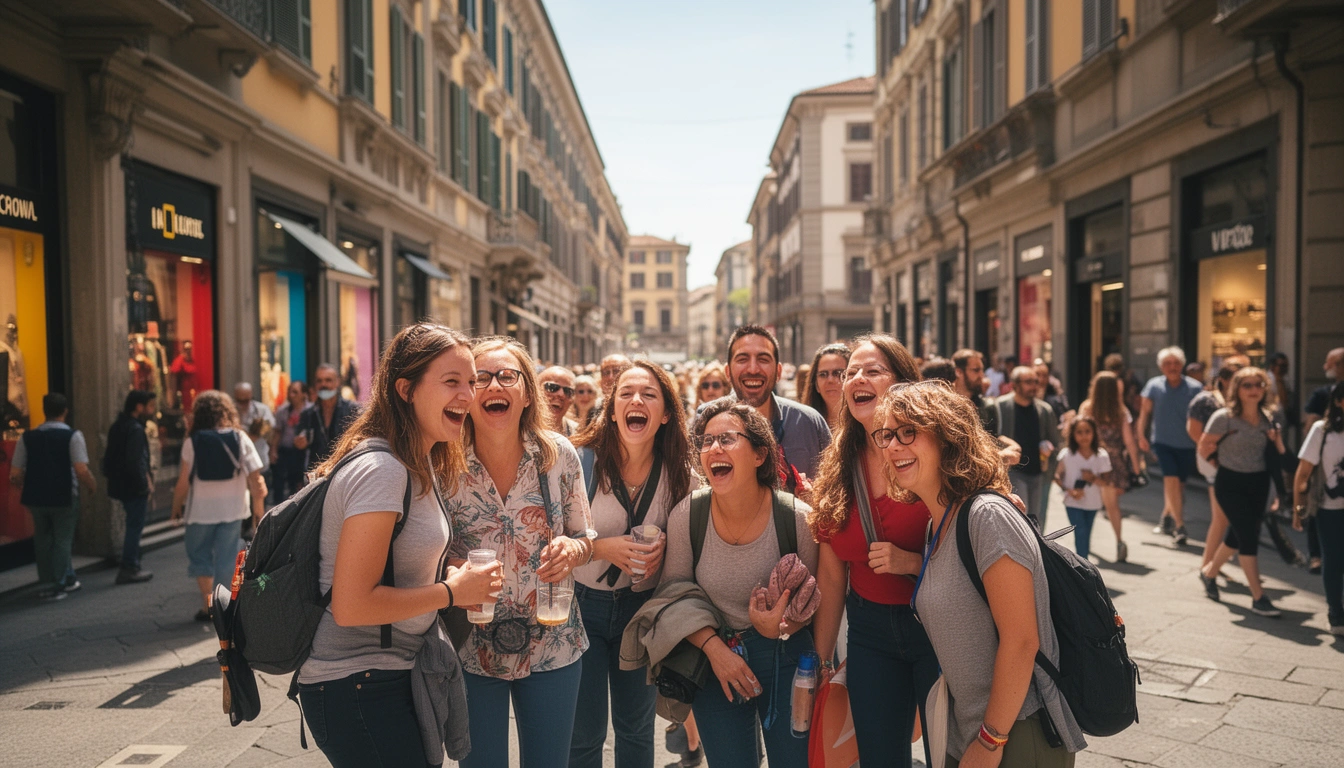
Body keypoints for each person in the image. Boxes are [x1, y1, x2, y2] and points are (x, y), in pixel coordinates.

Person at [297, 323, 502, 768]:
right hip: (356, 683)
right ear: (406, 388)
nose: (468, 395)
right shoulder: (383, 470)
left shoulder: (414, 462)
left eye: (472, 381)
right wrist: (453, 592)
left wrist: (446, 572)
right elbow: (351, 605)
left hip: (387, 677)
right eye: (452, 382)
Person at [876, 380, 1086, 767]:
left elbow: (1022, 640)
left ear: (947, 437)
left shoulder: (987, 516)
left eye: (909, 432)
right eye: (887, 435)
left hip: (1018, 733)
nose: (892, 446)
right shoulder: (936, 521)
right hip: (967, 732)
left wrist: (990, 741)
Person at [447, 337, 595, 768]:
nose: (494, 385)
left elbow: (585, 536)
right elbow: (426, 550)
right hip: (470, 645)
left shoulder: (558, 455)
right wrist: (453, 569)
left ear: (526, 392)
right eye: (481, 378)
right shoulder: (444, 460)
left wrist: (572, 548)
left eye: (507, 376)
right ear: (468, 394)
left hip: (553, 641)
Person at [663, 399, 819, 768]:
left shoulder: (798, 519)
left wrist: (781, 627)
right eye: (706, 441)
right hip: (712, 658)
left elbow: (817, 602)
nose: (714, 448)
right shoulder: (688, 515)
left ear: (760, 455)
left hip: (787, 659)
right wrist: (716, 651)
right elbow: (672, 595)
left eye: (728, 439)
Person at [809, 335, 936, 767]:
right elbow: (831, 575)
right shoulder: (838, 463)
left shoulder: (936, 446)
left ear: (903, 383)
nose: (856, 379)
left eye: (872, 370)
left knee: (948, 754)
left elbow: (975, 543)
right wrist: (820, 661)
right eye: (850, 373)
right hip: (869, 633)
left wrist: (913, 564)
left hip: (940, 627)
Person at [570, 361, 694, 768]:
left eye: (649, 394)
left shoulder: (682, 477)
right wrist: (602, 549)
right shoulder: (578, 462)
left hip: (641, 613)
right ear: (611, 408)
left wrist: (665, 556)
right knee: (584, 735)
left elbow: (692, 550)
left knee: (636, 732)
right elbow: (545, 541)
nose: (635, 401)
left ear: (666, 414)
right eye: (625, 393)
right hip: (581, 607)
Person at [1197, 367, 1287, 617]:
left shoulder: (1269, 417)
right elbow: (1204, 447)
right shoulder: (1223, 417)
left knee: (1239, 535)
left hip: (1259, 484)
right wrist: (1223, 465)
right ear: (1236, 388)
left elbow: (1277, 455)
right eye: (1247, 385)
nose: (1253, 389)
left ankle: (1209, 573)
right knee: (1248, 536)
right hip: (1230, 484)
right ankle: (1259, 597)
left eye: (1258, 384)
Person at [169, 390, 266, 621]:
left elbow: (183, 481)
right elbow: (257, 480)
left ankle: (208, 605)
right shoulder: (240, 438)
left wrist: (176, 505)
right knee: (227, 558)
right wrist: (258, 511)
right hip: (232, 511)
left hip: (199, 513)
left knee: (199, 556)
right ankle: (225, 607)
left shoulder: (192, 442)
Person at [719, 325, 831, 501]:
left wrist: (816, 500)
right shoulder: (706, 423)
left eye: (763, 359)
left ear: (778, 372)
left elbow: (836, 494)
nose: (753, 369)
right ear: (727, 372)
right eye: (742, 359)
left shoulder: (809, 423)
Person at [9, 393, 97, 601]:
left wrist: (20, 485)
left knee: (42, 538)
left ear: (44, 411)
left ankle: (57, 579)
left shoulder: (27, 437)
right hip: (64, 495)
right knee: (62, 540)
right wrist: (92, 487)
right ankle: (57, 583)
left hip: (36, 497)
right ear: (65, 411)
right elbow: (81, 469)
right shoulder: (73, 436)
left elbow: (15, 472)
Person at [1138, 347, 1204, 546]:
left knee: (1178, 487)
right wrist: (1141, 436)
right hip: (1163, 443)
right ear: (1161, 367)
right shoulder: (1153, 386)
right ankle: (1180, 526)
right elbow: (1144, 414)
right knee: (1171, 480)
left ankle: (1167, 515)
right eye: (1167, 364)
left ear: (1182, 365)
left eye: (1176, 363)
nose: (1172, 367)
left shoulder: (1195, 388)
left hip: (1187, 444)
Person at [1293, 381, 1344, 636]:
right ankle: (1336, 613)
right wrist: (1298, 510)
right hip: (1330, 508)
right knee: (1334, 561)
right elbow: (1303, 473)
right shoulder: (1322, 431)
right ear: (1339, 402)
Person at [1078, 372, 1140, 563]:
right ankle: (1119, 541)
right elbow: (1129, 442)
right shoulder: (1120, 411)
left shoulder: (1087, 408)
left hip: (1091, 460)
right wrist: (1137, 467)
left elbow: (1079, 433)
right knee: (1112, 505)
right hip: (1113, 463)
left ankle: (1084, 545)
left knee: (1088, 504)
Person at [996, 366, 1064, 530]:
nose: (1034, 386)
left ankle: (1037, 553)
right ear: (1015, 385)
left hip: (1038, 472)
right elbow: (992, 437)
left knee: (1037, 520)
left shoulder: (1044, 410)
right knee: (1020, 518)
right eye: (1028, 382)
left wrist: (1049, 451)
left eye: (1035, 382)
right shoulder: (1001, 407)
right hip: (1013, 472)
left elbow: (1055, 440)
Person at [1188, 364, 1240, 576]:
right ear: (1227, 380)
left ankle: (1214, 563)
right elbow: (1194, 432)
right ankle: (1208, 565)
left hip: (1237, 465)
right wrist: (1214, 456)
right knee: (1221, 518)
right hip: (1216, 465)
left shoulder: (1239, 403)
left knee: (1229, 517)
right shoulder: (1205, 400)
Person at [105, 389, 157, 584]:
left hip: (121, 485)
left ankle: (131, 563)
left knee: (132, 525)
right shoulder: (135, 429)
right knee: (134, 527)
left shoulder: (119, 425)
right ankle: (129, 566)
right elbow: (136, 461)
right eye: (150, 406)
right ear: (139, 407)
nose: (152, 411)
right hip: (134, 487)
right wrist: (145, 485)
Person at [1301, 347, 1343, 574]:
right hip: (1322, 464)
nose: (1325, 367)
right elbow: (1310, 425)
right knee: (1316, 505)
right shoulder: (1322, 393)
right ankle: (1316, 555)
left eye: (1330, 363)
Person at [952, 349, 1022, 466]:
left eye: (982, 370)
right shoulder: (944, 404)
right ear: (959, 372)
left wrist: (1011, 446)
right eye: (976, 370)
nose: (981, 375)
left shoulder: (987, 405)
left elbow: (992, 438)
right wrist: (999, 456)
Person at [1054, 417, 1111, 560]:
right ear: (1073, 434)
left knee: (1086, 533)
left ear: (1094, 433)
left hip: (1093, 503)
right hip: (1073, 502)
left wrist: (1092, 478)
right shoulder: (1067, 454)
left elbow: (1106, 482)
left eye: (1087, 431)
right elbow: (1057, 476)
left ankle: (1083, 564)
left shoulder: (1101, 455)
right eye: (1079, 432)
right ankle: (1083, 566)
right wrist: (1069, 491)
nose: (1084, 436)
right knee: (1080, 532)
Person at [296, 363, 360, 469]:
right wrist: (300, 443)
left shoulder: (352, 410)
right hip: (317, 474)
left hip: (345, 469)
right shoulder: (308, 414)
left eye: (328, 380)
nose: (323, 384)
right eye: (319, 381)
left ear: (337, 382)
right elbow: (300, 442)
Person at [233, 382, 274, 500]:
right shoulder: (230, 411)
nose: (243, 404)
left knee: (260, 500)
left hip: (260, 462)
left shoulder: (261, 410)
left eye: (246, 401)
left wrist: (240, 432)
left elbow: (266, 431)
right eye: (239, 401)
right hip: (238, 467)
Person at [269, 380, 309, 503]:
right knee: (279, 482)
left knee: (297, 482)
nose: (291, 395)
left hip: (301, 452)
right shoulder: (282, 411)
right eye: (289, 392)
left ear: (303, 394)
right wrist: (273, 450)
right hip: (284, 450)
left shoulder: (310, 410)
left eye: (295, 392)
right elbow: (278, 432)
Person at [805, 343, 850, 427]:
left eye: (837, 373)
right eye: (823, 374)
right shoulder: (803, 424)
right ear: (816, 385)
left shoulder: (866, 424)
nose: (830, 380)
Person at [539, 366, 580, 437]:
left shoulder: (578, 434)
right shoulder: (518, 428)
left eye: (568, 391)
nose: (561, 394)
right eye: (552, 387)